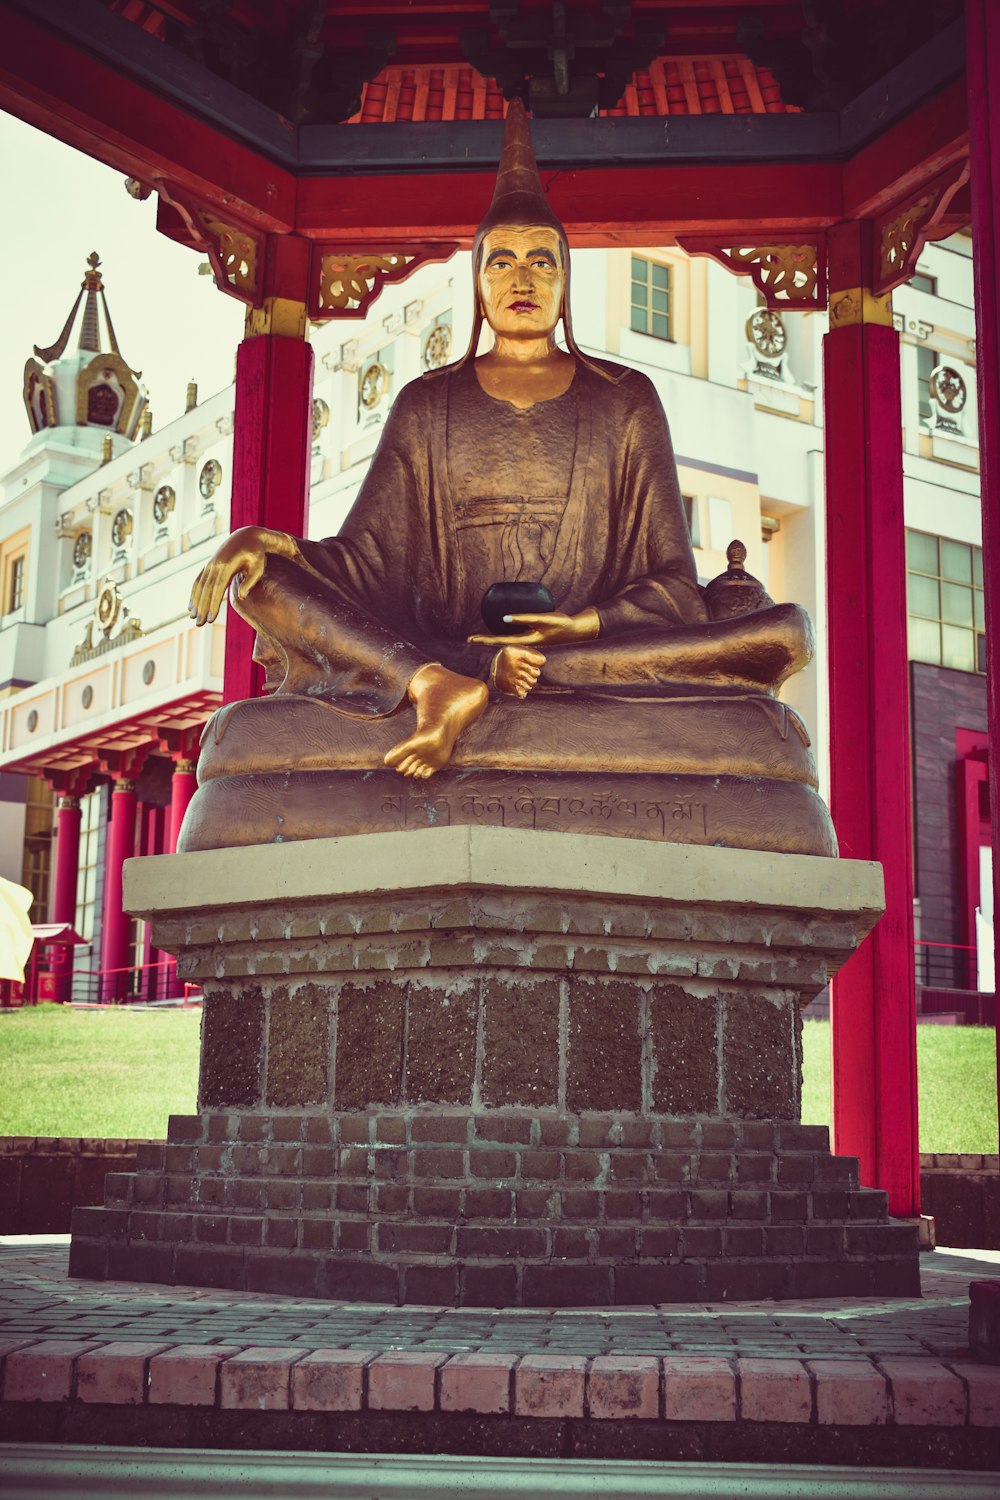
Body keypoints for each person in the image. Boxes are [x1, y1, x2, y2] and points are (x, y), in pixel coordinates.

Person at [189, 100, 810, 780]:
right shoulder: (428, 403)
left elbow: (675, 586)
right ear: (477, 283)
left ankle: (471, 676)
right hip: (448, 646)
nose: (522, 278)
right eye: (502, 262)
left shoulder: (625, 399)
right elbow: (365, 564)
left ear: (565, 282)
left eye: (542, 262)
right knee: (258, 585)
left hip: (584, 658)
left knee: (787, 632)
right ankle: (436, 680)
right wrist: (272, 545)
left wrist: (583, 626)